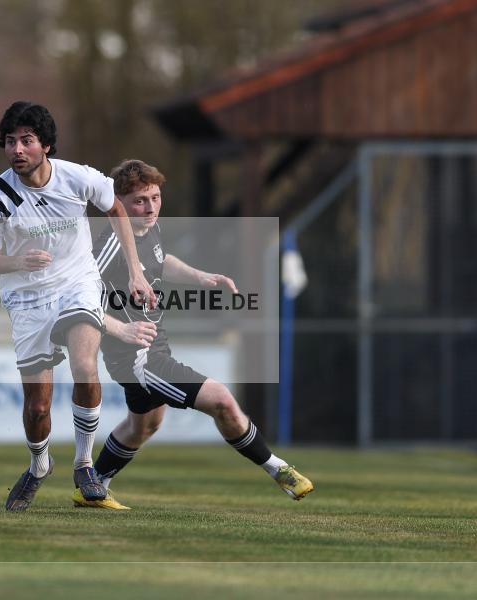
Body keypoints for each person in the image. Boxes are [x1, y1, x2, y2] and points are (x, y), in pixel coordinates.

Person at [82, 159, 313, 510]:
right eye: (140, 201)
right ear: (118, 203)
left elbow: (161, 260)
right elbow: (79, 302)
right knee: (221, 400)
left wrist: (201, 277)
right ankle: (278, 469)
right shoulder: (109, 246)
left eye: (156, 198)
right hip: (138, 359)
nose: (150, 207)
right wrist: (121, 329)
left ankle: (94, 486)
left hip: (154, 348)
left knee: (144, 424)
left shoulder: (148, 230)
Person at [0, 102, 155, 512]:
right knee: (38, 406)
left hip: (78, 282)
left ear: (46, 146)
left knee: (84, 365)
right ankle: (40, 464)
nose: (17, 149)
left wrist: (136, 273)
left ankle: (84, 465)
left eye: (26, 141)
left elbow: (115, 209)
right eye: (10, 142)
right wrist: (19, 262)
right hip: (26, 298)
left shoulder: (79, 178)